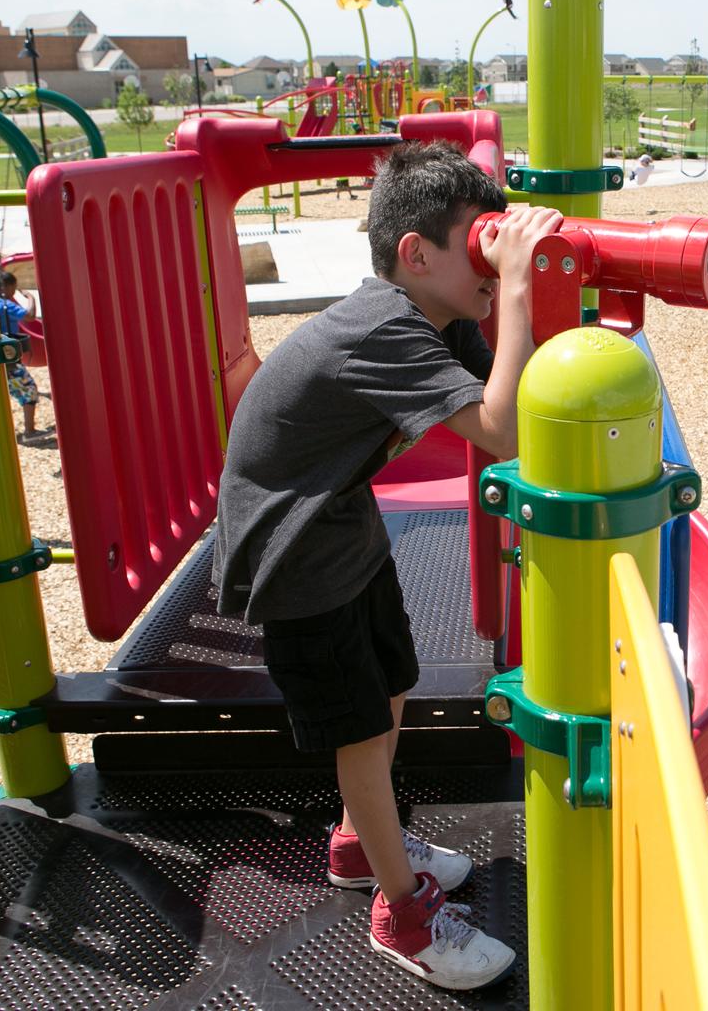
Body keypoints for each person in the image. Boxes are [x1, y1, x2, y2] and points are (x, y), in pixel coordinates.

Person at [212, 141, 559, 991]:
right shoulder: (381, 329)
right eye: (476, 244)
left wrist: (506, 293)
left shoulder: (430, 317)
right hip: (295, 553)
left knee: (393, 679)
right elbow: (503, 429)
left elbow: (526, 381)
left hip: (341, 529)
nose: (488, 261)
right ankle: (400, 915)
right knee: (362, 733)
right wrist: (513, 284)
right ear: (415, 254)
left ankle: (357, 844)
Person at [0, 270, 42, 434]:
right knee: (29, 390)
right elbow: (30, 316)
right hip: (9, 360)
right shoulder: (6, 305)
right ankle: (30, 431)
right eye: (13, 288)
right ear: (5, 287)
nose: (14, 292)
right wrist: (30, 298)